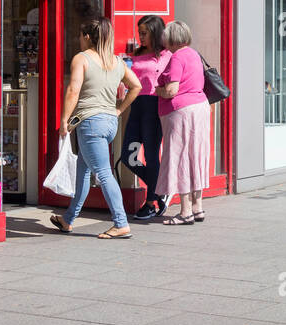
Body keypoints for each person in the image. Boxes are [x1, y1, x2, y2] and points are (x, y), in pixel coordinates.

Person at [50, 18, 141, 239]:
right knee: (83, 170)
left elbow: (73, 90)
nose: (78, 39)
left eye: (81, 35)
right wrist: (119, 110)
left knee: (103, 173)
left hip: (90, 122)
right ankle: (68, 219)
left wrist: (64, 121)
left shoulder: (81, 59)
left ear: (88, 37)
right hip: (109, 122)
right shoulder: (116, 61)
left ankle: (121, 223)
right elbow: (136, 86)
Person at [156, 20, 211, 225]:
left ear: (171, 38)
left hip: (181, 112)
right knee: (195, 156)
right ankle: (198, 207)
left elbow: (171, 90)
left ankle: (185, 211)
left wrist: (156, 90)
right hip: (200, 107)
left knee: (180, 158)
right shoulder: (194, 54)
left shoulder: (177, 57)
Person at [120, 15, 172, 221]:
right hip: (136, 105)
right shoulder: (136, 54)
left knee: (151, 156)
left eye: (144, 33)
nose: (140, 36)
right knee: (128, 156)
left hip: (154, 106)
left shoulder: (167, 55)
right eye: (139, 32)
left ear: (156, 32)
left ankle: (150, 202)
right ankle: (160, 189)